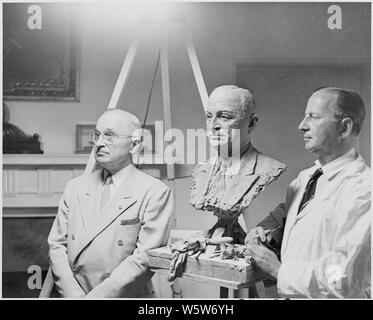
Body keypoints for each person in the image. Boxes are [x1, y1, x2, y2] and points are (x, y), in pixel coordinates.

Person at [245, 87, 371, 298]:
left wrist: (278, 270)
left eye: (313, 117)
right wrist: (263, 233)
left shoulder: (363, 191)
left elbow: (343, 277)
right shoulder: (307, 177)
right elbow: (287, 218)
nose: (302, 126)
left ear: (345, 127)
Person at [48, 109, 174, 298]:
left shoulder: (155, 192)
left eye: (109, 135)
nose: (98, 143)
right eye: (97, 135)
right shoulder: (74, 187)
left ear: (134, 144)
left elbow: (144, 260)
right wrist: (74, 295)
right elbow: (57, 246)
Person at [190, 85, 286, 243]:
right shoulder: (202, 170)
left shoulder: (269, 168)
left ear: (251, 124)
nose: (213, 125)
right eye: (209, 116)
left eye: (225, 117)